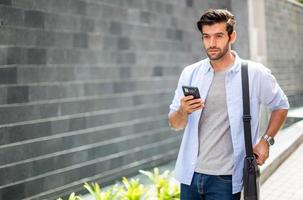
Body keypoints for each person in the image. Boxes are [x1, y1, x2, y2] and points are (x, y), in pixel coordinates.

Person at [168, 9, 289, 200]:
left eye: (218, 36)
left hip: (225, 179)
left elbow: (281, 105)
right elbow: (174, 123)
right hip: (190, 176)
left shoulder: (254, 73)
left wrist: (266, 140)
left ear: (232, 36)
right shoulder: (190, 73)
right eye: (206, 37)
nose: (212, 43)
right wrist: (183, 111)